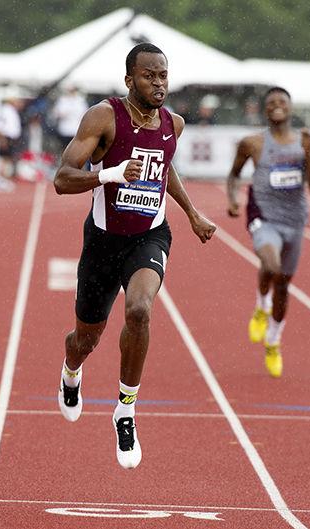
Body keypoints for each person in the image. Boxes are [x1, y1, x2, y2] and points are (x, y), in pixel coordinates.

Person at [53, 43, 216, 469]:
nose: (158, 82)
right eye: (149, 75)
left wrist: (193, 214)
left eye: (163, 75)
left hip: (149, 236)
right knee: (85, 339)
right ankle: (71, 371)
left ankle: (125, 409)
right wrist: (108, 173)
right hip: (104, 242)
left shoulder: (173, 124)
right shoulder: (103, 117)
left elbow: (165, 169)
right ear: (130, 80)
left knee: (140, 310)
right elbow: (62, 179)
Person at [226, 86, 310, 378]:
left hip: (295, 221)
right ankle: (261, 305)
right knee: (271, 264)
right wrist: (232, 199)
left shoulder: (307, 141)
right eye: (271, 103)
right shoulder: (252, 143)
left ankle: (273, 339)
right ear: (265, 110)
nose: (276, 106)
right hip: (263, 215)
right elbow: (233, 175)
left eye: (282, 101)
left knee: (283, 283)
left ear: (291, 108)